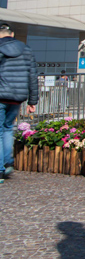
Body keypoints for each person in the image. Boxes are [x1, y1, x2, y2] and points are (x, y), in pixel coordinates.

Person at [0, 22, 39, 184]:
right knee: (8, 128)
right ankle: (8, 162)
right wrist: (33, 100)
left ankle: (1, 170)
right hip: (17, 97)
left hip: (1, 94)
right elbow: (32, 76)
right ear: (12, 34)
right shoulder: (26, 50)